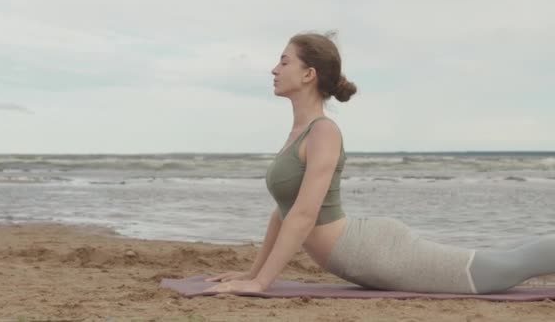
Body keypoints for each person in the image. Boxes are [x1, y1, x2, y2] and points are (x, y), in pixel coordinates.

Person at [204, 31, 555, 295]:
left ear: (309, 74)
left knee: (503, 271)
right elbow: (283, 211)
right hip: (362, 253)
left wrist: (262, 283)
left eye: (284, 61)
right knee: (507, 260)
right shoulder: (299, 132)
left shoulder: (323, 131)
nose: (274, 69)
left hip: (376, 252)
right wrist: (252, 274)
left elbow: (304, 215)